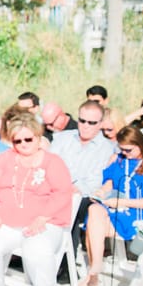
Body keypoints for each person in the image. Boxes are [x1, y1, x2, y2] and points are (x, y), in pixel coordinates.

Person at [0, 112, 72, 286]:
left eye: (28, 139)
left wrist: (43, 218)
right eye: (17, 140)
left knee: (36, 249)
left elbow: (62, 193)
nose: (23, 144)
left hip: (43, 223)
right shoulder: (5, 159)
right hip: (6, 222)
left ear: (38, 137)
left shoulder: (53, 162)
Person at [80, 127, 143, 286]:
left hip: (138, 214)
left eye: (128, 149)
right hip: (115, 207)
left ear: (140, 145)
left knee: (93, 224)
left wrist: (122, 203)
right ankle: (96, 267)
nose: (124, 152)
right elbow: (110, 182)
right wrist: (101, 192)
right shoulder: (120, 160)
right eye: (121, 148)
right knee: (94, 210)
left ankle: (93, 273)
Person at [49, 101, 115, 262]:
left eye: (92, 123)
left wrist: (74, 188)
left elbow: (96, 181)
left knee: (73, 204)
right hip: (55, 188)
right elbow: (50, 164)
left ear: (100, 124)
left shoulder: (108, 148)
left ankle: (64, 265)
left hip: (85, 195)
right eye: (82, 120)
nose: (85, 126)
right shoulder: (62, 139)